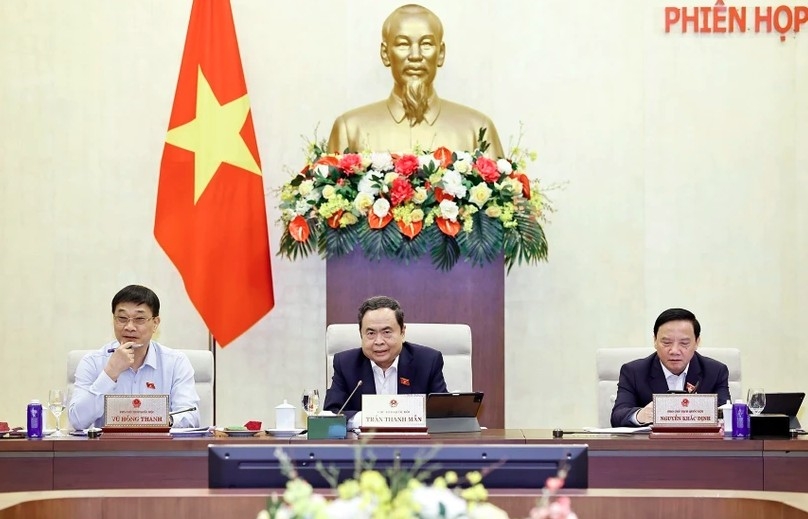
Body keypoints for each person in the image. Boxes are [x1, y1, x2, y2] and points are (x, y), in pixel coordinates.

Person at [327, 4, 504, 157]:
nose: (415, 56)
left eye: (426, 44)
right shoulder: (350, 129)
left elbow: (504, 194)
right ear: (385, 53)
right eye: (403, 44)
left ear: (440, 53)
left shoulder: (477, 130)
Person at [68, 285, 200, 430]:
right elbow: (77, 421)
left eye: (139, 319)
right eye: (122, 318)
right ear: (113, 320)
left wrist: (157, 420)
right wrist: (110, 373)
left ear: (155, 323)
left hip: (159, 450)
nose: (129, 326)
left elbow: (191, 417)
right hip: (108, 451)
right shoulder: (92, 362)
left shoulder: (175, 363)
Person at [323, 295, 448, 423]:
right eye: (371, 333)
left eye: (387, 332)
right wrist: (368, 419)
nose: (379, 341)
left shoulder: (428, 361)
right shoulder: (345, 364)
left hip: (413, 442)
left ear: (402, 332)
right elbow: (331, 414)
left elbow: (445, 413)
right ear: (361, 334)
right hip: (363, 442)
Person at [610, 307, 731, 427]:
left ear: (697, 342)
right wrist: (640, 415)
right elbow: (618, 416)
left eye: (684, 343)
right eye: (666, 343)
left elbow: (725, 414)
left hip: (698, 445)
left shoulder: (715, 371)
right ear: (655, 341)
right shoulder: (634, 372)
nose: (674, 351)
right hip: (653, 445)